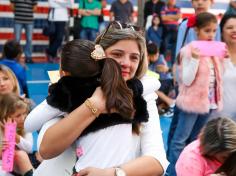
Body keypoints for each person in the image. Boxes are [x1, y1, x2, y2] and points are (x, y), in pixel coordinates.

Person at [34, 21, 168, 175]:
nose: (126, 63)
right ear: (98, 56)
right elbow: (46, 149)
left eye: (134, 58)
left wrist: (111, 173)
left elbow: (158, 161)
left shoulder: (144, 96)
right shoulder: (75, 91)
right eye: (117, 54)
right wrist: (93, 106)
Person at [166, 12, 228, 176]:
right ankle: (173, 172)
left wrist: (224, 59)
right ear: (197, 31)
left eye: (214, 31)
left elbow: (219, 77)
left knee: (195, 141)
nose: (211, 35)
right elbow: (185, 80)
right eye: (207, 30)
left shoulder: (214, 52)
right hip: (192, 103)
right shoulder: (188, 51)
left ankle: (191, 170)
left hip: (209, 104)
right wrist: (194, 58)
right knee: (180, 140)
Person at [0, 93, 34, 176]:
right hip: (3, 167)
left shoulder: (25, 127)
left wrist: (15, 136)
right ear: (5, 116)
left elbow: (29, 149)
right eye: (18, 115)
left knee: (20, 155)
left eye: (24, 113)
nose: (23, 118)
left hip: (20, 166)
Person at [211, 14, 236, 122]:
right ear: (221, 32)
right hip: (215, 120)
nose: (234, 30)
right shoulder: (213, 55)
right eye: (229, 27)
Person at [147, 43, 175, 116]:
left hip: (166, 82)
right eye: (154, 56)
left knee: (152, 89)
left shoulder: (160, 61)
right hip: (160, 82)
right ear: (149, 56)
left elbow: (158, 75)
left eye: (157, 54)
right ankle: (164, 105)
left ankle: (170, 102)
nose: (157, 56)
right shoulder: (148, 61)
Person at [160, 0, 181, 65]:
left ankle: (173, 65)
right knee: (164, 47)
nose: (172, 1)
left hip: (175, 31)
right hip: (166, 30)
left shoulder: (178, 8)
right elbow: (163, 18)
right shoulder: (164, 8)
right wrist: (174, 17)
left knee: (174, 49)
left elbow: (178, 17)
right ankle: (163, 64)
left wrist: (168, 16)